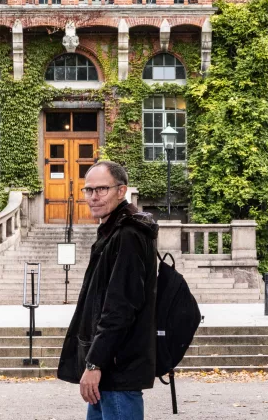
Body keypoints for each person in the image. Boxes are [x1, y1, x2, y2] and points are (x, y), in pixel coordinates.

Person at [57, 161, 159, 420]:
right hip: (110, 371)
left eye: (102, 189)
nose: (94, 197)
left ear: (121, 191)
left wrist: (95, 364)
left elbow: (120, 308)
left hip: (117, 369)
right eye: (88, 190)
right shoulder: (113, 232)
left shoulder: (128, 235)